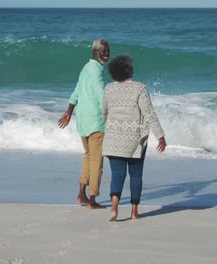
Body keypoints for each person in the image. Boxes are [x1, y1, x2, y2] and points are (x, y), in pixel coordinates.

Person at [102, 55, 166, 221]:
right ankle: (134, 212)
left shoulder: (108, 88)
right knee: (136, 175)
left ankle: (114, 209)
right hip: (135, 140)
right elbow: (149, 113)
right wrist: (160, 135)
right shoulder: (140, 88)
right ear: (129, 71)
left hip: (113, 138)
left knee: (117, 174)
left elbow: (104, 114)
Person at [58, 39, 110, 209]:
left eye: (108, 50)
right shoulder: (96, 72)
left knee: (88, 156)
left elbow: (76, 92)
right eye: (104, 50)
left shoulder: (86, 68)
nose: (107, 53)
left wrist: (68, 111)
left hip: (83, 121)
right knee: (97, 161)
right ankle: (93, 200)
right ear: (96, 51)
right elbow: (101, 94)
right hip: (96, 122)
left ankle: (82, 194)